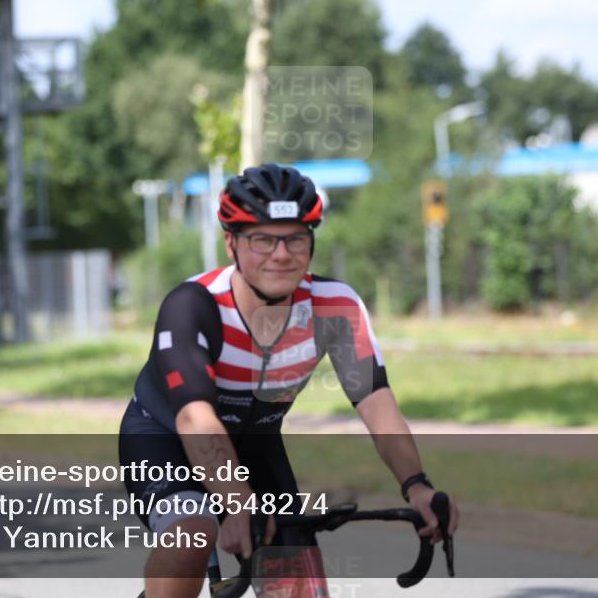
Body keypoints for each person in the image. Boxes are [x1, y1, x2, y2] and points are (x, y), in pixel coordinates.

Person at [118, 163, 459, 598]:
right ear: (231, 243)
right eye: (262, 239)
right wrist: (237, 502)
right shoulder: (194, 305)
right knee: (193, 533)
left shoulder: (335, 308)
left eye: (296, 238)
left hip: (254, 446)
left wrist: (417, 486)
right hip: (164, 440)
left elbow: (377, 404)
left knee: (295, 580)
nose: (281, 254)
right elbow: (194, 418)